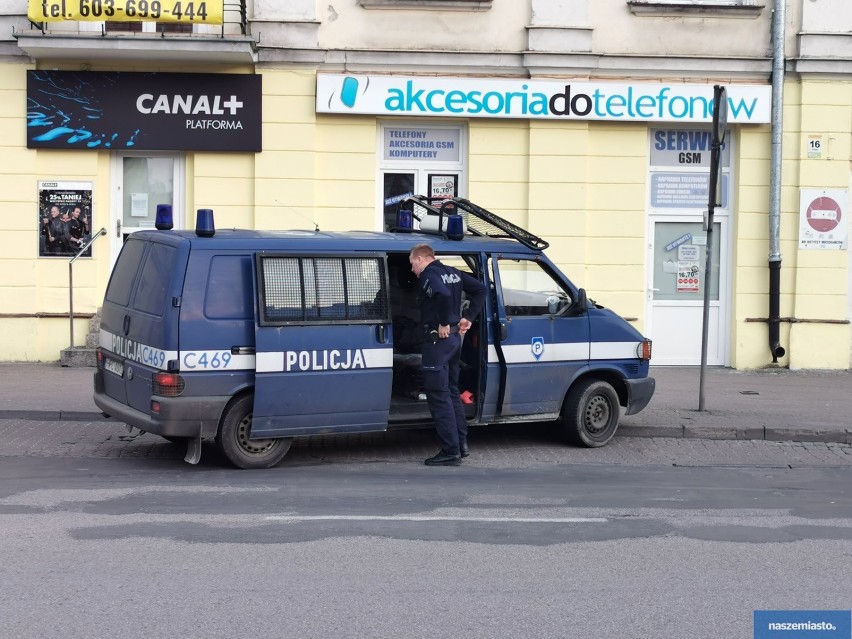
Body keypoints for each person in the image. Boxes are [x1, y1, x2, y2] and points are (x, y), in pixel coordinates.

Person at [409, 243, 486, 466]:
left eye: (413, 264)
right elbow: (481, 289)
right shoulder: (453, 272)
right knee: (452, 391)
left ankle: (450, 451)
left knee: (438, 395)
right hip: (454, 341)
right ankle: (461, 445)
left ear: (422, 259)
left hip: (437, 342)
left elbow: (441, 294)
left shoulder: (428, 276)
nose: (413, 270)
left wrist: (442, 321)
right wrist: (469, 317)